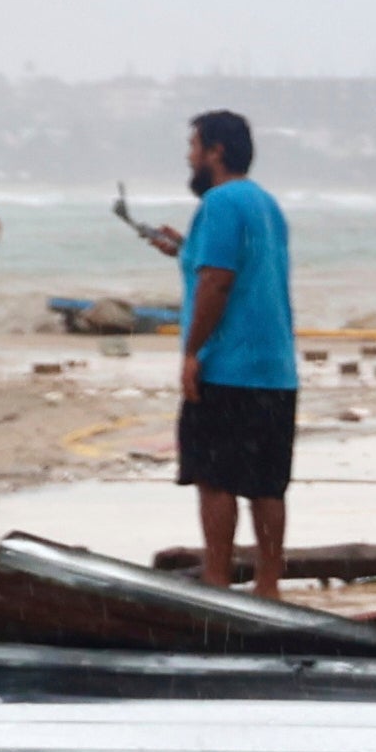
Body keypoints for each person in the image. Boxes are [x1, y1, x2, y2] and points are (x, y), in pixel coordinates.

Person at [148, 111, 295, 593]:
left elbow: (217, 281)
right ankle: (269, 585)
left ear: (215, 151)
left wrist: (192, 353)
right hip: (274, 369)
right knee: (266, 485)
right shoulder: (266, 205)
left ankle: (217, 582)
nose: (189, 156)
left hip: (228, 365)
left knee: (216, 479)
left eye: (194, 146)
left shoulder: (218, 202)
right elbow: (229, 265)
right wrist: (187, 250)